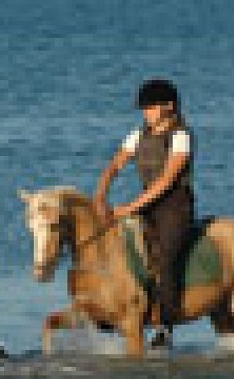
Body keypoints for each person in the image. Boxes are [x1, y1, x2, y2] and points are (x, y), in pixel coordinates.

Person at [95, 79, 195, 348]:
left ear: (169, 107)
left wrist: (127, 208)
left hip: (174, 207)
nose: (145, 112)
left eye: (150, 107)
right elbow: (114, 165)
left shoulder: (181, 136)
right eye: (144, 108)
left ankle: (165, 326)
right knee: (114, 245)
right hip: (146, 203)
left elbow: (165, 181)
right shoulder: (137, 135)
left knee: (166, 259)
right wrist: (101, 197)